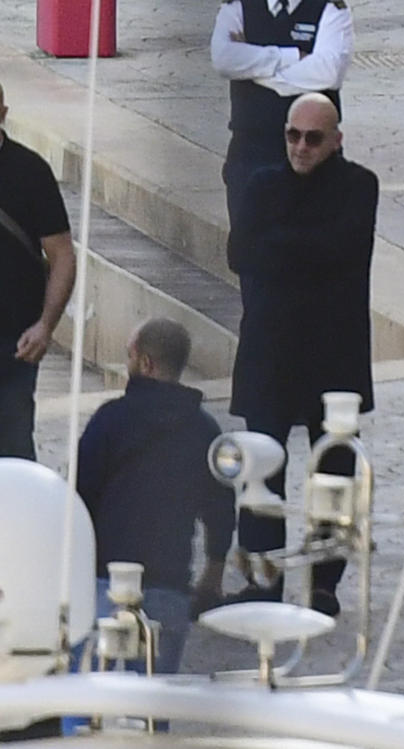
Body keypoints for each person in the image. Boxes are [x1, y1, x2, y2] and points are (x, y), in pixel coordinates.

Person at [226, 92, 378, 615]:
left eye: (314, 138)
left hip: (333, 358)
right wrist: (305, 246)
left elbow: (344, 248)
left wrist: (281, 244)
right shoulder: (262, 183)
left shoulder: (359, 186)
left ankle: (324, 583)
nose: (301, 147)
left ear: (336, 140)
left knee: (333, 474)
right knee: (260, 469)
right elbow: (239, 252)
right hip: (271, 352)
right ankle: (263, 576)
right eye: (293, 135)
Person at [76, 318, 235, 675]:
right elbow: (220, 509)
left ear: (145, 363)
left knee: (82, 699)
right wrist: (213, 572)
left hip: (105, 579)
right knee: (154, 700)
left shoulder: (111, 420)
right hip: (169, 582)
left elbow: (81, 495)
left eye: (130, 355)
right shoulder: (204, 430)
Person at [211, 0, 353, 223]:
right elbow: (223, 59)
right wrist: (294, 57)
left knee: (312, 248)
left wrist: (255, 72)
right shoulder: (238, 6)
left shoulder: (329, 8)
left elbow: (328, 72)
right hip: (252, 149)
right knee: (248, 250)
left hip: (312, 151)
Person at [0, 81, 77, 460]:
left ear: (2, 115)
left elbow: (62, 254)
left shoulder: (30, 173)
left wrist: (46, 325)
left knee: (13, 450)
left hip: (13, 343)